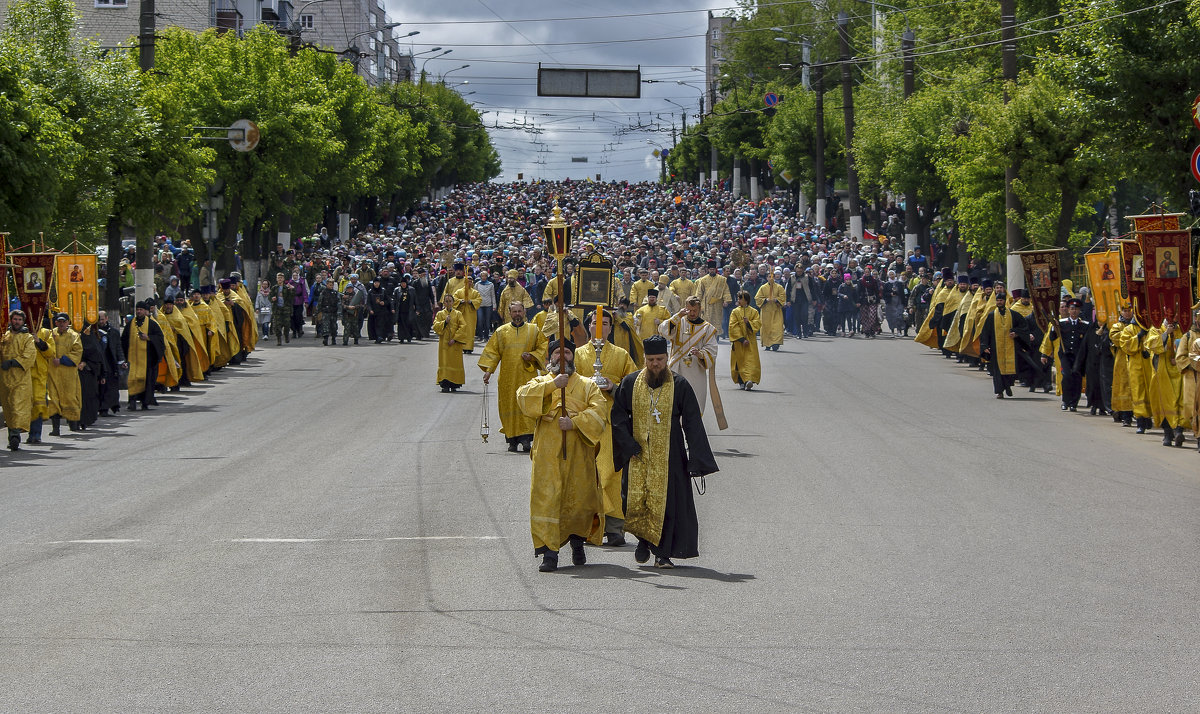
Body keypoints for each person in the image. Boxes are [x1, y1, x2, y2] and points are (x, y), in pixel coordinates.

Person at [610, 335, 719, 569]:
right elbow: (617, 417)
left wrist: (696, 460)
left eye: (659, 359)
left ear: (667, 358)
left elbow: (692, 422)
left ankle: (662, 554)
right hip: (637, 455)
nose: (655, 364)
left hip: (670, 457)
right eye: (650, 359)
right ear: (645, 359)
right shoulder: (630, 383)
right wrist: (628, 446)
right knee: (635, 502)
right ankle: (643, 540)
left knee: (668, 504)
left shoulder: (679, 385)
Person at [515, 339, 608, 572]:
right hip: (547, 456)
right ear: (550, 358)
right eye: (557, 353)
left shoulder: (587, 385)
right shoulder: (541, 382)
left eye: (567, 352)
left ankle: (577, 543)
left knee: (578, 500)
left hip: (578, 454)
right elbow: (523, 398)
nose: (562, 357)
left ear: (573, 357)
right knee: (546, 501)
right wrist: (553, 385)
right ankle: (549, 553)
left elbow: (599, 411)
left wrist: (575, 422)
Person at [575, 309, 638, 546]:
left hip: (613, 422)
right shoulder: (578, 354)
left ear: (611, 328)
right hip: (586, 422)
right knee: (588, 475)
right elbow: (570, 386)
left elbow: (634, 386)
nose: (599, 327)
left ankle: (614, 528)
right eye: (594, 323)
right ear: (588, 326)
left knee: (611, 474)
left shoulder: (621, 355)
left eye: (605, 323)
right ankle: (587, 526)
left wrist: (614, 386)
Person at [478, 301, 548, 453]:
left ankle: (526, 439)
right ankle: (512, 439)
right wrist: (489, 371)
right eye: (514, 311)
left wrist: (532, 356)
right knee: (509, 406)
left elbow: (543, 347)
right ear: (510, 313)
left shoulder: (533, 330)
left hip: (527, 376)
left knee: (526, 404)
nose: (517, 314)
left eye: (519, 311)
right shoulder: (501, 332)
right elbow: (493, 352)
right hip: (507, 378)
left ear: (524, 312)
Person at [659, 295, 719, 415]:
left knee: (694, 404)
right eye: (689, 310)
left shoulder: (707, 328)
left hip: (696, 372)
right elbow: (662, 330)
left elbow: (712, 349)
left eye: (694, 311)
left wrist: (701, 354)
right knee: (674, 402)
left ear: (700, 309)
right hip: (677, 368)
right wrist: (678, 316)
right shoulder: (679, 321)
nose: (692, 313)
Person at [37, 313, 83, 434]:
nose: (61, 324)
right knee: (53, 400)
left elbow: (77, 352)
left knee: (71, 399)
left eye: (64, 321)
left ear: (68, 322)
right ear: (56, 322)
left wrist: (62, 360)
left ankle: (73, 425)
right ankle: (55, 428)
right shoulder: (51, 334)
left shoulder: (74, 336)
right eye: (59, 322)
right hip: (53, 374)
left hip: (68, 375)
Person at [1146, 317, 1185, 446]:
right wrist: (1165, 334)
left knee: (1179, 401)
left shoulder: (1182, 330)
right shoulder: (1156, 329)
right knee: (1164, 403)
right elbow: (1151, 345)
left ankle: (1179, 431)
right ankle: (1168, 433)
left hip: (1179, 372)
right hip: (1162, 373)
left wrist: (1179, 358)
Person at [0, 310, 36, 450]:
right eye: (15, 319)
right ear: (10, 320)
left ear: (23, 322)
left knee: (17, 406)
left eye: (19, 320)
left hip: (21, 379)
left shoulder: (27, 338)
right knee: (8, 408)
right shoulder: (4, 336)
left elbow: (29, 355)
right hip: (4, 378)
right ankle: (12, 435)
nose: (17, 322)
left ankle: (15, 436)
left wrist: (13, 362)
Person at [1046, 298, 1088, 412]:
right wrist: (1054, 327)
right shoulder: (1062, 324)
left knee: (1077, 378)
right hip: (1065, 355)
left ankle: (1074, 402)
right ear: (1069, 310)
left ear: (1079, 311)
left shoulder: (1084, 325)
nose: (1074, 311)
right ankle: (1065, 400)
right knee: (1067, 377)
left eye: (1076, 309)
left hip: (1078, 357)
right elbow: (1052, 337)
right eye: (1072, 309)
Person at [122, 301, 165, 411]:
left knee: (145, 381)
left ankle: (145, 402)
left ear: (145, 312)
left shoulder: (152, 324)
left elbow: (160, 339)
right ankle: (132, 402)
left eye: (141, 309)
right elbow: (123, 341)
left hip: (147, 360)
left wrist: (149, 338)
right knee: (132, 381)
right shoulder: (130, 324)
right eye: (137, 309)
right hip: (132, 360)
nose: (139, 311)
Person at [978, 286, 1017, 398]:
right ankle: (999, 391)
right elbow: (985, 332)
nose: (999, 302)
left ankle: (1008, 386)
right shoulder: (991, 315)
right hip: (995, 347)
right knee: (997, 371)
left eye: (1001, 300)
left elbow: (1022, 326)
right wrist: (984, 345)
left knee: (1009, 370)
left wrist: (1016, 333)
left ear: (1005, 301)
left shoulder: (1012, 314)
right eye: (998, 300)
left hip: (1010, 347)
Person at [433, 293, 470, 392]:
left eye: (450, 301)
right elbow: (435, 326)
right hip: (444, 343)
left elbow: (463, 326)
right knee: (445, 362)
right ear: (443, 302)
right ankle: (444, 384)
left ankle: (454, 384)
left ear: (453, 302)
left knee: (455, 362)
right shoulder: (440, 314)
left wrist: (455, 338)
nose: (448, 303)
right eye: (446, 301)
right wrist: (444, 322)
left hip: (454, 343)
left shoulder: (458, 314)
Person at [1174, 309, 1200, 451]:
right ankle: (1179, 430)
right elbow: (1180, 357)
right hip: (1191, 377)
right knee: (1189, 406)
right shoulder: (1188, 336)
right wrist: (1194, 364)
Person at [728, 290, 762, 390]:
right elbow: (732, 326)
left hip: (750, 341)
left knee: (750, 361)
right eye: (738, 298)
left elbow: (757, 323)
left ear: (746, 300)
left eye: (740, 299)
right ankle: (741, 381)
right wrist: (742, 340)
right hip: (739, 342)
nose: (738, 300)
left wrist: (748, 323)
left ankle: (749, 380)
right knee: (740, 361)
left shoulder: (754, 311)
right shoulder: (735, 311)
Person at [76, 322, 107, 429]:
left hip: (88, 373)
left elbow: (98, 357)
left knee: (87, 398)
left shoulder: (91, 339)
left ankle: (85, 421)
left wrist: (86, 363)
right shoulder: (72, 338)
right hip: (73, 372)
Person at [95, 310, 125, 414]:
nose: (101, 322)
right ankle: (102, 408)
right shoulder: (93, 332)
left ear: (107, 318)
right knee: (101, 387)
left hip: (110, 363)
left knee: (111, 386)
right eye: (99, 320)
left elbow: (118, 347)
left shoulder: (113, 332)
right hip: (99, 363)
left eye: (102, 319)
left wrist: (122, 361)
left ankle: (110, 406)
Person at [695, 260, 731, 338]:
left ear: (716, 269)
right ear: (708, 270)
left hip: (717, 303)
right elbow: (699, 292)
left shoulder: (722, 279)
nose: (712, 271)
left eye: (713, 269)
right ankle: (706, 337)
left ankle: (716, 337)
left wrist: (726, 300)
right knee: (707, 320)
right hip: (706, 303)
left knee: (717, 320)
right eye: (710, 269)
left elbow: (725, 290)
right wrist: (698, 303)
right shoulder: (703, 279)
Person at [755, 269, 787, 351]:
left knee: (777, 327)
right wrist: (765, 300)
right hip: (766, 311)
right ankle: (767, 344)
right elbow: (758, 298)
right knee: (766, 328)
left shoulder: (779, 287)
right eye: (769, 277)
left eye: (772, 277)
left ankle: (776, 343)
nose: (771, 278)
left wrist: (777, 300)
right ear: (767, 278)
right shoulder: (763, 287)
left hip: (776, 311)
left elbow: (783, 297)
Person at [452, 277, 483, 353]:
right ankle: (461, 346)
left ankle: (469, 347)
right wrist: (460, 301)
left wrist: (471, 302)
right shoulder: (459, 291)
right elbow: (454, 299)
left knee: (470, 330)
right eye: (467, 281)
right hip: (461, 313)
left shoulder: (475, 292)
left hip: (471, 314)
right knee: (461, 329)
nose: (468, 283)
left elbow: (479, 300)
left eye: (470, 281)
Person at [270, 272, 295, 346]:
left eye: (281, 278)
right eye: (278, 278)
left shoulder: (286, 288)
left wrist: (292, 289)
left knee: (287, 324)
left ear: (283, 279)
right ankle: (279, 339)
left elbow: (291, 297)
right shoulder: (274, 288)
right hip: (277, 309)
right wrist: (272, 299)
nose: (280, 279)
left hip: (286, 309)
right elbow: (270, 296)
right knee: (277, 325)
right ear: (276, 279)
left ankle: (286, 335)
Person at [393, 274, 418, 343]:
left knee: (408, 324)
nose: (403, 285)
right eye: (402, 283)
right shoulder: (397, 290)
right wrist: (393, 308)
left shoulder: (411, 290)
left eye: (404, 283)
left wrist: (417, 309)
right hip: (400, 310)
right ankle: (401, 338)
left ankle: (409, 337)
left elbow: (415, 300)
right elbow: (394, 300)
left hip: (408, 310)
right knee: (401, 325)